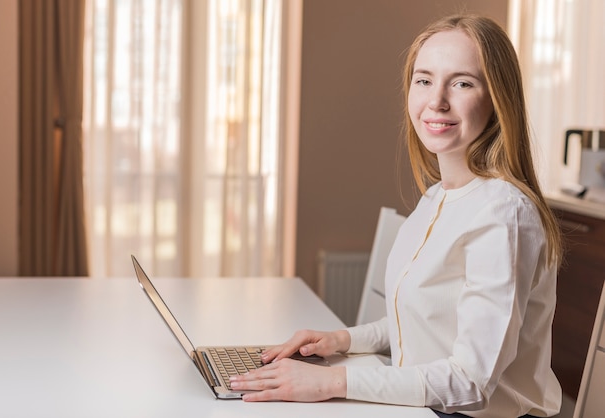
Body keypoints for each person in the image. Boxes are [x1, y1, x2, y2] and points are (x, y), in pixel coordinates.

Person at [229, 14, 563, 418]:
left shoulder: (504, 212)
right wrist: (339, 341)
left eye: (462, 83)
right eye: (424, 80)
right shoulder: (438, 197)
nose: (436, 100)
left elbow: (470, 383)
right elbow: (426, 320)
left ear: (498, 98)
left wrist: (332, 382)